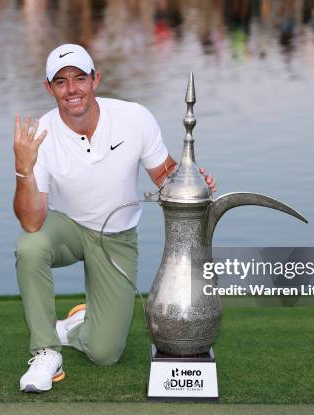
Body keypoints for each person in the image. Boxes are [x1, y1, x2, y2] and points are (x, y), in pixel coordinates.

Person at [12, 44, 216, 393]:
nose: (72, 89)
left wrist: (189, 180)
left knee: (105, 352)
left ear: (95, 79)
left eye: (79, 78)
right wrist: (23, 171)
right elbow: (32, 222)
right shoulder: (40, 136)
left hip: (116, 237)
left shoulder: (134, 117)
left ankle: (77, 325)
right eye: (61, 82)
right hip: (68, 226)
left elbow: (163, 173)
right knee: (29, 247)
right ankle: (46, 351)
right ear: (49, 89)